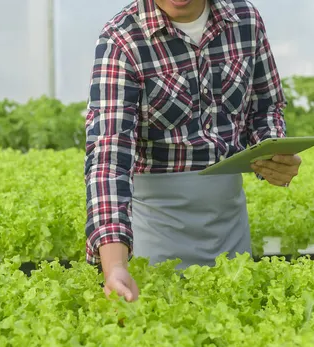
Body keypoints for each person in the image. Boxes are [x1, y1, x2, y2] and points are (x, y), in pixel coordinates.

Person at [84, 0, 301, 302]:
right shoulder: (122, 39)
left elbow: (264, 106)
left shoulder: (244, 21)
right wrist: (115, 265)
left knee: (237, 330)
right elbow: (109, 158)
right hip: (156, 229)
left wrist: (274, 150)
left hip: (229, 223)